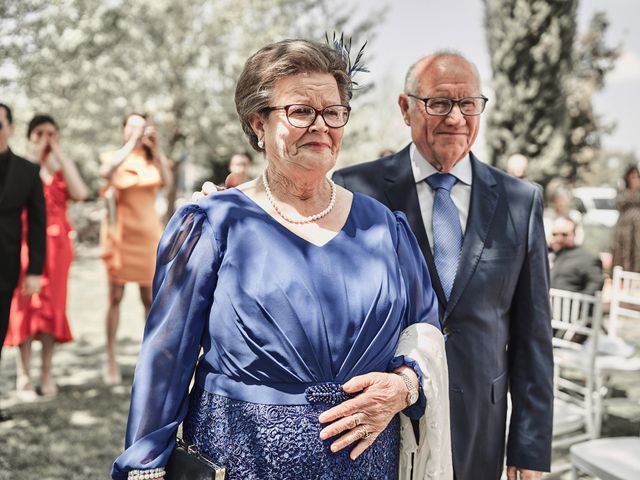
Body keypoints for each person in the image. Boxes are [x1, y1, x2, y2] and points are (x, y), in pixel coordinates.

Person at [112, 39, 449, 480]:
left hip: (368, 466)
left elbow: (424, 334)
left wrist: (404, 386)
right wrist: (143, 467)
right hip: (242, 461)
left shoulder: (386, 228)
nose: (321, 126)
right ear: (258, 124)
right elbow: (164, 363)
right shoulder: (212, 224)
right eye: (300, 111)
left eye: (333, 112)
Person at [333, 51, 554, 480]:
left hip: (479, 426)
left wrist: (529, 447)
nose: (455, 117)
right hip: (381, 420)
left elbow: (534, 336)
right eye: (439, 103)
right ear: (406, 108)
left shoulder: (520, 201)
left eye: (468, 103)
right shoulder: (355, 190)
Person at [3, 114, 88, 399]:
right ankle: (24, 374)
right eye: (39, 133)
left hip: (59, 247)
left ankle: (47, 372)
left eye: (52, 133)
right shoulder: (22, 166)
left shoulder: (62, 165)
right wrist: (37, 155)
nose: (46, 138)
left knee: (53, 308)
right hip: (27, 243)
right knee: (24, 307)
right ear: (28, 136)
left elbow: (80, 192)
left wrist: (59, 156)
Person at [99, 113, 173, 385]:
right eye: (132, 127)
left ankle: (151, 358)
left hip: (148, 237)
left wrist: (157, 148)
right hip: (121, 237)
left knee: (149, 300)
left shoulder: (151, 159)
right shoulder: (114, 156)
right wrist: (131, 143)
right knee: (115, 297)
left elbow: (166, 180)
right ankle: (110, 359)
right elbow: (105, 173)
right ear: (123, 130)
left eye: (141, 128)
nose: (138, 132)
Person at [0, 103, 46, 420]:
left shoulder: (28, 171)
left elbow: (39, 223)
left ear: (10, 127)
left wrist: (34, 270)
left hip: (6, 261)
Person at [549, 216, 603, 296]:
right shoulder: (547, 254)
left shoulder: (587, 258)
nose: (558, 239)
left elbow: (595, 286)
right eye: (554, 234)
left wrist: (576, 304)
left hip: (570, 306)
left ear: (574, 235)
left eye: (564, 234)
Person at [612, 165, 640, 272]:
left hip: (638, 227)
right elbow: (619, 202)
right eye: (632, 176)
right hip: (624, 226)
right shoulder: (623, 191)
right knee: (623, 251)